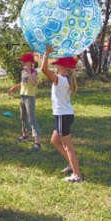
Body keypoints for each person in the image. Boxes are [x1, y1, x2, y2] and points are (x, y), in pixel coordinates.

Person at [41, 46, 83, 182]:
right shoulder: (66, 78)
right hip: (65, 115)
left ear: (63, 68)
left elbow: (43, 69)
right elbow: (73, 61)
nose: (56, 66)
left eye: (58, 65)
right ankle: (72, 165)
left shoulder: (60, 79)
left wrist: (46, 53)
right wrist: (78, 53)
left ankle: (77, 175)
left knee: (67, 146)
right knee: (54, 141)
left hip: (62, 116)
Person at [8, 53, 41, 150]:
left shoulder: (33, 72)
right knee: (23, 116)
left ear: (31, 63)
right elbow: (23, 83)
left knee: (31, 119)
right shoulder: (23, 71)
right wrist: (14, 87)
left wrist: (29, 72)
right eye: (22, 61)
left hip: (30, 97)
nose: (23, 63)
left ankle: (37, 142)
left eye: (24, 61)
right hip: (22, 95)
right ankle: (25, 134)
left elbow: (34, 82)